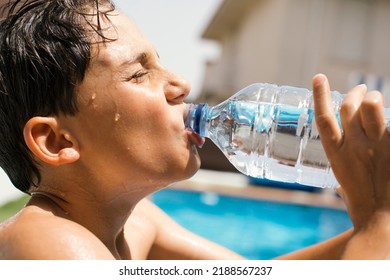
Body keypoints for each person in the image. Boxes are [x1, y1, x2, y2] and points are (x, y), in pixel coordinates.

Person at [0, 0, 389, 260]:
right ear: (57, 141)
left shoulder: (138, 223)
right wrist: (379, 220)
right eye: (138, 74)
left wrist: (375, 212)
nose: (181, 84)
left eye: (161, 63)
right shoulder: (48, 244)